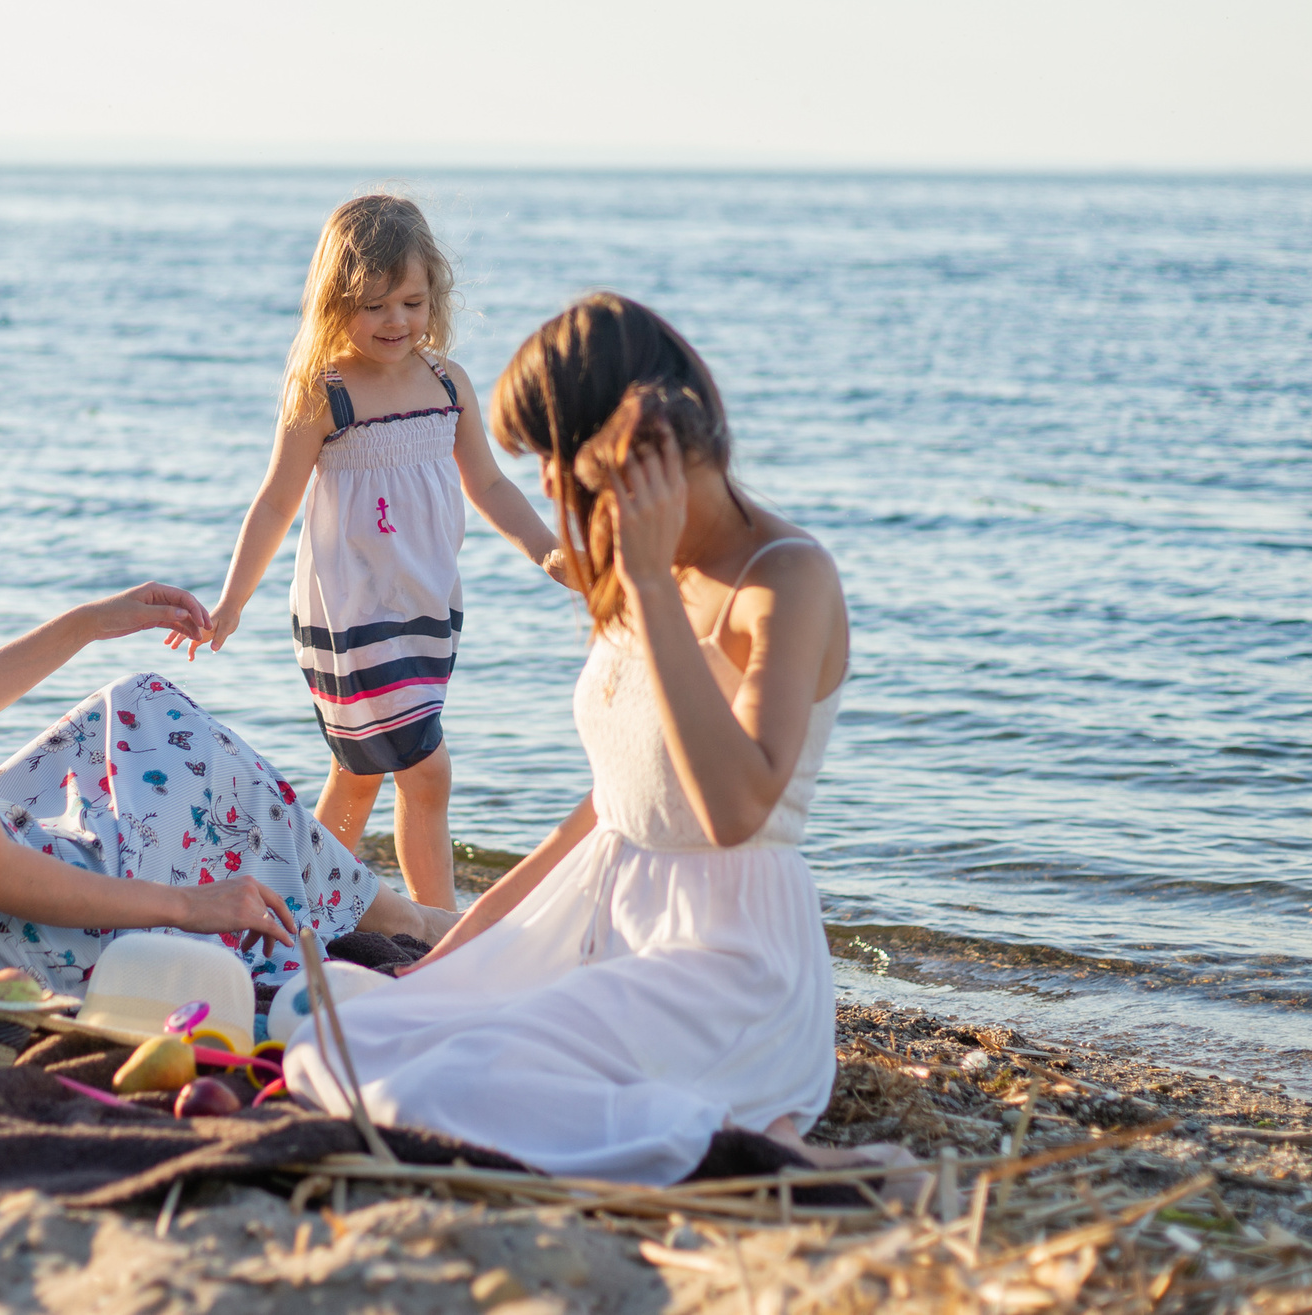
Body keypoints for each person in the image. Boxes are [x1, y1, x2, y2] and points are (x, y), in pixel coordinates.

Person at [284, 293, 913, 1191]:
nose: (544, 486)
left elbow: (736, 811)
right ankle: (730, 1129)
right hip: (600, 915)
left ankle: (783, 1155)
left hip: (727, 959)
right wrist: (447, 958)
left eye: (551, 456)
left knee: (451, 1083)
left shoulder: (785, 578)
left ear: (623, 445)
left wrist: (651, 585)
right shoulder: (630, 569)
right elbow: (605, 812)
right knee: (344, 1042)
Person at [0, 308, 453, 995]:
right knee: (182, 736)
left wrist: (84, 625)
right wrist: (191, 905)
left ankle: (386, 909)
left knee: (129, 705)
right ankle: (410, 923)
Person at [174, 194, 563, 910]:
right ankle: (441, 927)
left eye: (412, 302)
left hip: (425, 609)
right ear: (336, 303)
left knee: (358, 776)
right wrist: (231, 602)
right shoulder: (326, 395)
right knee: (427, 771)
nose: (397, 322)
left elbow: (489, 482)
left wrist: (549, 551)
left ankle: (296, 909)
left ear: (434, 296)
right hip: (351, 617)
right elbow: (274, 503)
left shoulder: (448, 384)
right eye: (375, 305)